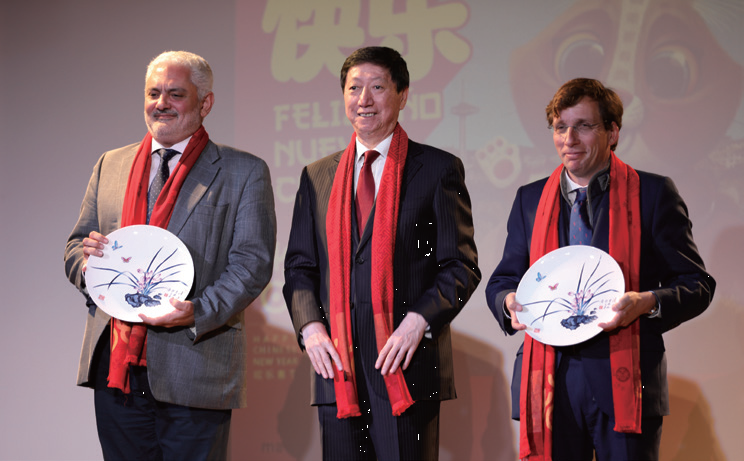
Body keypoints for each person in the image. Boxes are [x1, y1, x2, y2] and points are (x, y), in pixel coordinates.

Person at [485, 78, 715, 460]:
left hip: (626, 379)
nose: (569, 139)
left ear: (613, 132)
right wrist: (508, 302)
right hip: (549, 381)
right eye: (560, 127)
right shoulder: (529, 199)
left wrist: (647, 302)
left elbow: (697, 284)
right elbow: (504, 279)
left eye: (584, 126)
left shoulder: (653, 194)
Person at [64, 51, 276, 460]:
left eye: (175, 94)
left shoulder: (244, 171)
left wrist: (196, 311)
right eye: (153, 93)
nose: (161, 103)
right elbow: (75, 246)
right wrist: (90, 267)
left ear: (205, 103)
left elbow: (252, 264)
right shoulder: (111, 164)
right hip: (116, 367)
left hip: (195, 363)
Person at [283, 46, 481, 460]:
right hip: (337, 369)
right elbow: (300, 266)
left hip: (406, 364)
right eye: (354, 88)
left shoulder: (437, 169)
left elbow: (460, 266)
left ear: (402, 95)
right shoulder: (317, 175)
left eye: (377, 87)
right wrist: (310, 327)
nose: (364, 100)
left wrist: (418, 322)